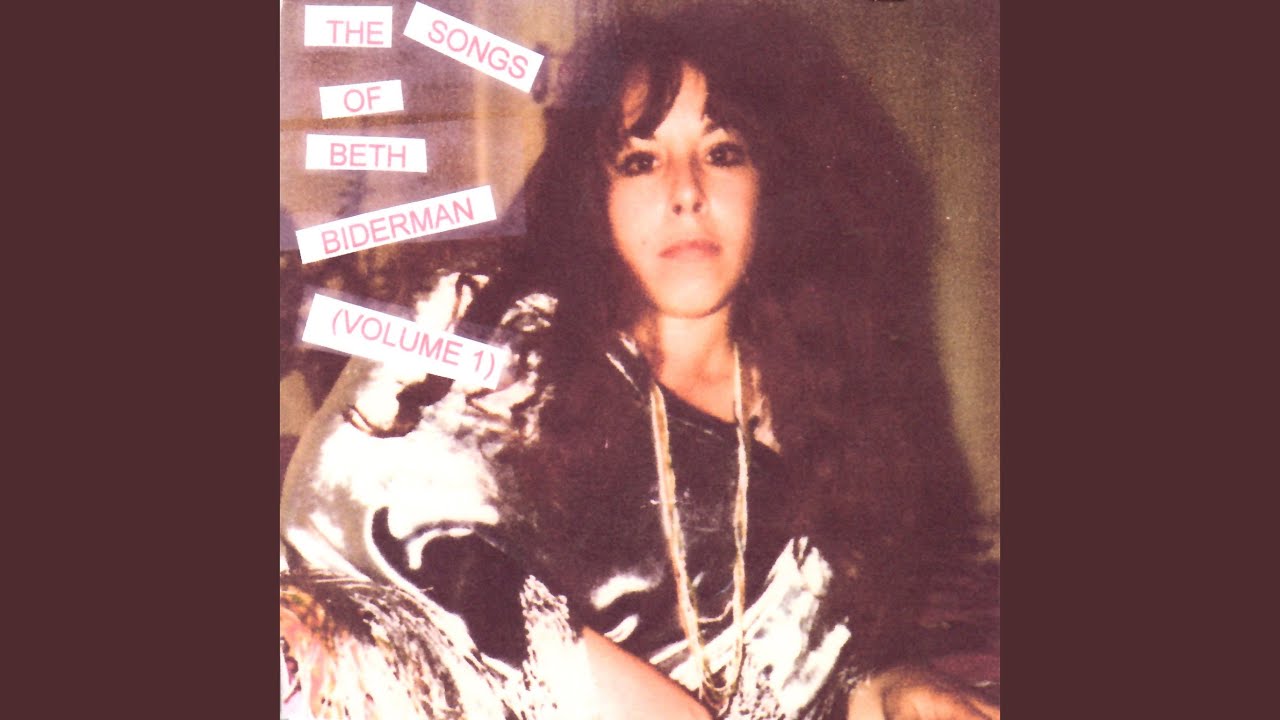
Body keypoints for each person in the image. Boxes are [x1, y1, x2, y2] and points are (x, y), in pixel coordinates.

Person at [281, 2, 998, 718]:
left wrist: (890, 683)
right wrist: (603, 685)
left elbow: (819, 651)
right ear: (595, 195)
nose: (686, 193)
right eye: (640, 161)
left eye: (723, 153)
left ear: (777, 184)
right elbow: (343, 525)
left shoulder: (828, 389)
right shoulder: (486, 328)